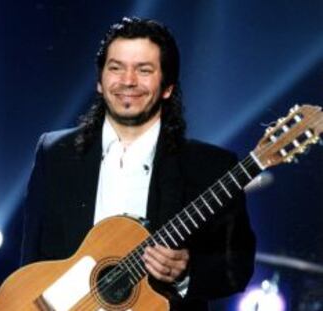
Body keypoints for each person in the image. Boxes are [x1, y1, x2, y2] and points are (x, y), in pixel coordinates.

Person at [21, 17, 256, 310]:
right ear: (99, 80)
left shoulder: (212, 166)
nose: (128, 81)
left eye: (144, 70)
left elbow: (237, 268)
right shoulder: (55, 152)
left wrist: (184, 274)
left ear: (168, 86)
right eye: (116, 68)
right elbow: (30, 261)